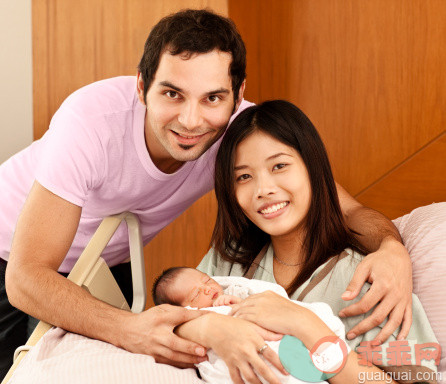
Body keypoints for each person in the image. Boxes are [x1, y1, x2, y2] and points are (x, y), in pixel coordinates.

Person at [0, 8, 412, 379]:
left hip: (104, 257)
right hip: (12, 250)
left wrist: (393, 250)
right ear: (142, 87)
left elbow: (342, 207)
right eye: (172, 93)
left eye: (213, 97)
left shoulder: (242, 135)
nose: (191, 121)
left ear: (236, 96)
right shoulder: (90, 122)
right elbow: (25, 277)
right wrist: (129, 328)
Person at [175, 100, 438, 384]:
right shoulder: (227, 260)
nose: (263, 190)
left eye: (279, 166)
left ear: (313, 167)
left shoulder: (368, 280)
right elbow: (166, 323)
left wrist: (307, 327)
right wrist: (212, 329)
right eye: (244, 176)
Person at [153, 267, 351, 384]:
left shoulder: (233, 294)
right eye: (196, 294)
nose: (207, 289)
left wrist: (235, 302)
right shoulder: (196, 320)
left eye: (207, 280)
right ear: (185, 307)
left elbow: (257, 307)